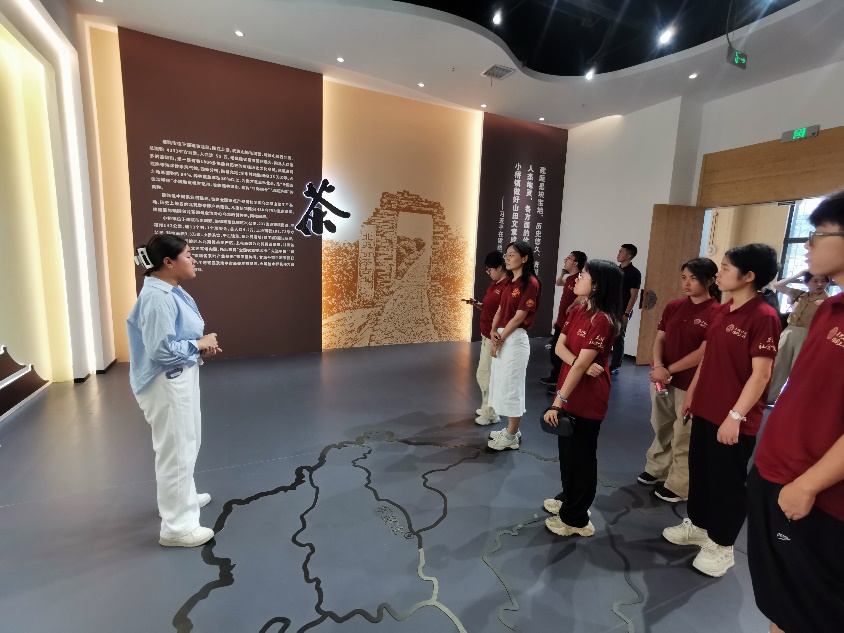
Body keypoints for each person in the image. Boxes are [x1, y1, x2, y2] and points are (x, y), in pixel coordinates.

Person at [747, 191, 844, 633]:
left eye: (819, 234)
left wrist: (808, 484)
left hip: (815, 495)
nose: (808, 244)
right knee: (781, 605)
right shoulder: (830, 309)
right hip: (776, 473)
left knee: (810, 612)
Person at [663, 243, 780, 577]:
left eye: (727, 267)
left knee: (726, 483)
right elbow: (709, 356)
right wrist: (692, 393)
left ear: (749, 276)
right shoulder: (722, 309)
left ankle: (723, 546)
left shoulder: (764, 316)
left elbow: (761, 375)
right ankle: (699, 526)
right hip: (705, 408)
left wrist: (735, 416)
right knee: (700, 472)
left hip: (733, 419)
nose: (720, 273)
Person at [127, 234, 222, 548]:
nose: (194, 260)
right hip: (166, 381)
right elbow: (161, 350)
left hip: (178, 376)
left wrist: (197, 348)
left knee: (186, 443)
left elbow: (174, 340)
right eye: (188, 255)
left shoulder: (169, 290)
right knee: (177, 451)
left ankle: (182, 498)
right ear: (168, 262)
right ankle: (177, 527)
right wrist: (198, 344)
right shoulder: (158, 297)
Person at [542, 259, 624, 536]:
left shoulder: (603, 320)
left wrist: (558, 402)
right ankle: (570, 498)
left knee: (581, 458)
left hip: (586, 398)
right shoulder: (579, 309)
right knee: (568, 454)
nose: (577, 278)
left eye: (584, 276)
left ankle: (576, 520)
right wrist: (582, 363)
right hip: (569, 389)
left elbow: (578, 365)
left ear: (597, 285)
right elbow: (559, 347)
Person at [638, 258, 720, 503]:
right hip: (662, 379)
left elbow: (704, 352)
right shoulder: (674, 306)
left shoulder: (717, 312)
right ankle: (657, 468)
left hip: (691, 383)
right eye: (684, 277)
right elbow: (660, 338)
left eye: (693, 278)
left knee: (684, 433)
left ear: (710, 280)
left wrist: (668, 369)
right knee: (661, 425)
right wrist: (659, 366)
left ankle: (679, 484)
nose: (687, 283)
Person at [486, 241, 541, 451]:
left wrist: (499, 339)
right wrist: (493, 331)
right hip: (503, 334)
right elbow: (500, 309)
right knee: (502, 383)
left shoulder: (531, 284)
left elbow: (519, 318)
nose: (507, 258)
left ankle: (510, 437)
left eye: (512, 255)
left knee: (512, 387)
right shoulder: (509, 281)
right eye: (506, 254)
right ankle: (512, 430)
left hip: (515, 339)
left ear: (524, 258)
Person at [766, 270, 830, 404]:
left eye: (824, 281)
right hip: (789, 332)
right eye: (815, 281)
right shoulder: (799, 294)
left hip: (808, 335)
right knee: (778, 366)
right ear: (807, 282)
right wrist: (798, 275)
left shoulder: (828, 301)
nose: (820, 284)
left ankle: (793, 403)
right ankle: (768, 399)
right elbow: (777, 286)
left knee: (799, 371)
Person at [469, 251, 509, 425]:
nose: (488, 273)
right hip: (486, 335)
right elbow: (489, 308)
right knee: (484, 374)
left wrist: (497, 340)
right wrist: (477, 304)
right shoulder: (495, 284)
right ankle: (487, 407)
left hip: (495, 337)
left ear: (500, 267)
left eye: (490, 269)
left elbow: (505, 315)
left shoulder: (508, 286)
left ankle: (491, 413)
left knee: (487, 376)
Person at [540, 251, 587, 389]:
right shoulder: (570, 278)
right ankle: (555, 377)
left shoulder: (578, 279)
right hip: (562, 320)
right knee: (555, 351)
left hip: (569, 323)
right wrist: (562, 274)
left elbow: (582, 297)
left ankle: (560, 382)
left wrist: (572, 305)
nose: (565, 260)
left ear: (575, 263)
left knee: (561, 352)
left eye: (569, 258)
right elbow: (558, 282)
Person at [610, 244, 641, 375]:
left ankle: (615, 365)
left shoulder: (634, 273)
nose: (618, 254)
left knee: (618, 337)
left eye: (621, 252)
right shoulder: (615, 270)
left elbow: (633, 296)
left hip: (622, 310)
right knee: (605, 335)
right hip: (610, 307)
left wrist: (626, 314)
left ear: (628, 256)